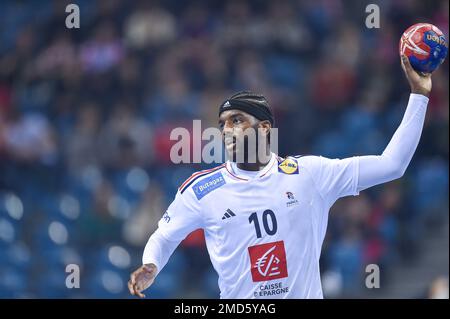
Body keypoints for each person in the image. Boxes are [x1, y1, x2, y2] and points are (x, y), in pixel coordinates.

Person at [128, 55, 432, 298]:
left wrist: (419, 95)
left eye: (237, 121)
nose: (226, 130)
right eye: (222, 124)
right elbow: (164, 236)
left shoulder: (310, 173)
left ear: (263, 128)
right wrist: (151, 264)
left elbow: (392, 164)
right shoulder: (202, 189)